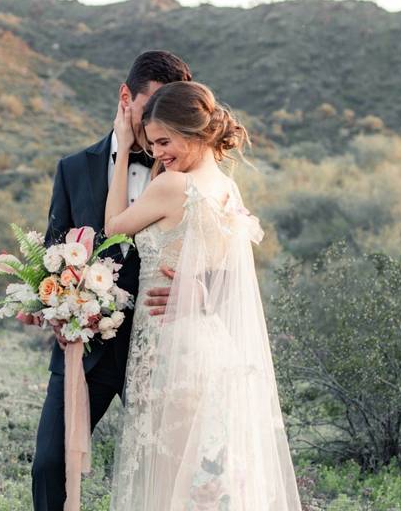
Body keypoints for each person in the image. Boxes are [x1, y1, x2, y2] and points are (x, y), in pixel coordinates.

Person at [105, 81, 301, 510]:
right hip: (209, 344)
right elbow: (228, 274)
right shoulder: (228, 190)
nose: (157, 152)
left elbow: (113, 227)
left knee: (170, 478)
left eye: (163, 141)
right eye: (151, 143)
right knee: (198, 480)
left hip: (170, 348)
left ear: (192, 132)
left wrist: (122, 148)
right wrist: (201, 292)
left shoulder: (173, 186)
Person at [28, 50, 193, 511]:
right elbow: (53, 251)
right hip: (88, 350)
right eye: (151, 107)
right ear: (126, 97)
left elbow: (223, 250)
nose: (160, 123)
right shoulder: (74, 168)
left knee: (170, 477)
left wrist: (199, 290)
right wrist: (47, 302)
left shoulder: (189, 173)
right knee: (48, 465)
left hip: (163, 349)